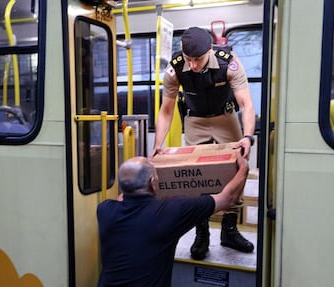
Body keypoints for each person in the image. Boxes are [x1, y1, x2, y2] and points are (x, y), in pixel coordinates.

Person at [151, 26, 256, 260]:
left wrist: (247, 137)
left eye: (198, 59)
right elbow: (166, 110)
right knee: (195, 175)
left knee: (235, 169)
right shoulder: (176, 66)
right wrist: (158, 143)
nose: (194, 65)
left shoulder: (228, 61)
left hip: (225, 118)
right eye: (190, 59)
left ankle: (229, 230)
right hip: (195, 120)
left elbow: (247, 103)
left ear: (209, 49)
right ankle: (202, 233)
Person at [97, 151, 249, 287]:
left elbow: (123, 195)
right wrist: (243, 169)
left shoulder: (104, 211)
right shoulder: (172, 212)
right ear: (152, 183)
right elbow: (228, 198)